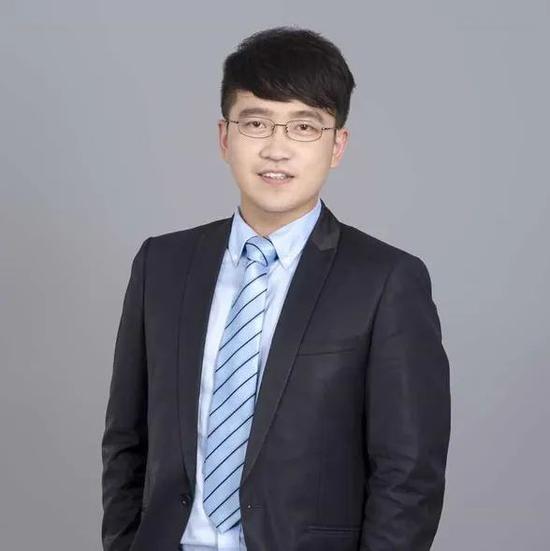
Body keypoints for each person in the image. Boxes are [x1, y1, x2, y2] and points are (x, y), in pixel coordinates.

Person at [101, 26, 451, 551]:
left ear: (337, 146)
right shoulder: (162, 265)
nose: (277, 149)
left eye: (304, 127)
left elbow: (409, 474)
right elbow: (126, 441)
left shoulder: (386, 281)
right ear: (225, 138)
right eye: (256, 123)